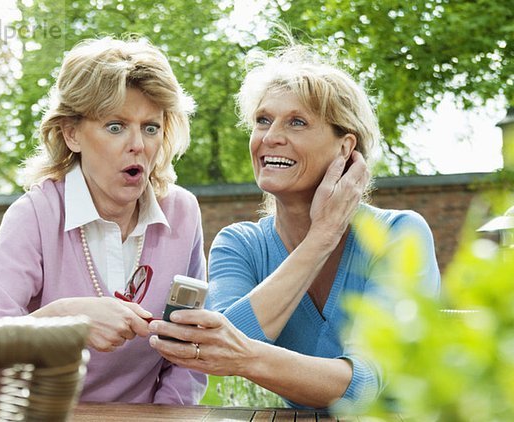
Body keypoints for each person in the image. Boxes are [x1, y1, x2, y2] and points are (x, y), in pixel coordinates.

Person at [148, 44, 441, 411]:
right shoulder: (241, 245)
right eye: (263, 120)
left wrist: (242, 354)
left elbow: (362, 387)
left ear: (344, 147)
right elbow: (213, 348)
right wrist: (320, 239)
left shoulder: (399, 235)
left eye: (297, 122)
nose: (270, 137)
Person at [0, 36, 207, 404]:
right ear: (71, 133)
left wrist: (165, 415)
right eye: (115, 126)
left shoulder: (182, 213)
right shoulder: (35, 215)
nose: (138, 143)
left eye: (151, 127)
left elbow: (189, 353)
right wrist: (63, 318)